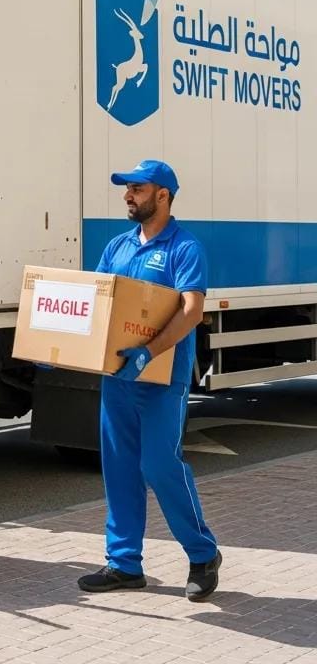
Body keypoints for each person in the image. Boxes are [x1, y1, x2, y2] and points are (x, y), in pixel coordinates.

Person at [78, 160, 221, 602]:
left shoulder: (184, 248)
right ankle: (124, 564)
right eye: (127, 189)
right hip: (118, 379)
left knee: (159, 465)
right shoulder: (118, 246)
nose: (128, 196)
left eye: (137, 189)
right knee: (119, 469)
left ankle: (203, 554)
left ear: (163, 195)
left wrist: (149, 352)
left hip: (161, 379)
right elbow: (98, 299)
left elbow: (192, 310)